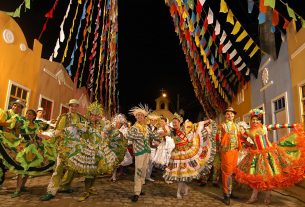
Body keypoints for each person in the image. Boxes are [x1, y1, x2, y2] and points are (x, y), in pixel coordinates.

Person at [235, 109, 305, 205]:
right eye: (253, 120)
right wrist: (249, 145)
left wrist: (293, 125)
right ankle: (253, 197)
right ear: (251, 121)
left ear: (260, 121)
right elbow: (241, 138)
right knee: (255, 177)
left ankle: (268, 196)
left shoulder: (264, 127)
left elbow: (278, 126)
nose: (255, 121)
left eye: (257, 120)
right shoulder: (248, 131)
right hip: (256, 155)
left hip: (269, 154)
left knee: (269, 176)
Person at [40, 99, 86, 201]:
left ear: (77, 107)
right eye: (71, 106)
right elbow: (57, 131)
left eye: (75, 106)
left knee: (73, 169)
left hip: (76, 148)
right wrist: (48, 135)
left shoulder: (82, 119)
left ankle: (65, 186)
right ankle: (51, 191)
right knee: (58, 169)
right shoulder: (64, 117)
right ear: (69, 106)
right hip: (64, 147)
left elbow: (85, 132)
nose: (73, 108)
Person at [163, 113, 217, 199]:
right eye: (173, 122)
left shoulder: (185, 128)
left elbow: (196, 125)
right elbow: (165, 133)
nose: (174, 124)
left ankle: (184, 188)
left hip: (187, 152)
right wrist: (162, 131)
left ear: (180, 122)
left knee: (186, 173)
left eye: (176, 122)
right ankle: (179, 191)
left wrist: (208, 121)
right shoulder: (172, 131)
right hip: (177, 154)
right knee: (181, 174)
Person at [126, 104, 162, 202]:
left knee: (144, 171)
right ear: (136, 117)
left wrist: (159, 137)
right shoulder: (134, 127)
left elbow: (153, 135)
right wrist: (141, 136)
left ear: (144, 117)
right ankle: (136, 192)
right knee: (138, 171)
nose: (140, 117)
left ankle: (140, 188)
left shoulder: (146, 127)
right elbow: (129, 135)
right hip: (139, 152)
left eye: (141, 115)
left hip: (147, 151)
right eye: (138, 115)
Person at [217, 107, 242, 205]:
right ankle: (226, 194)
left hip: (235, 151)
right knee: (226, 172)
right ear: (225, 115)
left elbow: (241, 136)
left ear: (234, 115)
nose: (230, 115)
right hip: (226, 151)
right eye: (228, 114)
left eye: (232, 114)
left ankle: (231, 192)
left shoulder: (236, 126)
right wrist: (220, 148)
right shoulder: (222, 126)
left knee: (233, 172)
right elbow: (218, 139)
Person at [145, 113, 161, 182]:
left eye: (155, 120)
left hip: (153, 147)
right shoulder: (146, 126)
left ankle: (148, 176)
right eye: (152, 120)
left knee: (151, 162)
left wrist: (157, 143)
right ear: (150, 120)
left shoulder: (157, 129)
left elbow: (158, 138)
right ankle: (143, 177)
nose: (153, 121)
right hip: (146, 146)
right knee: (145, 162)